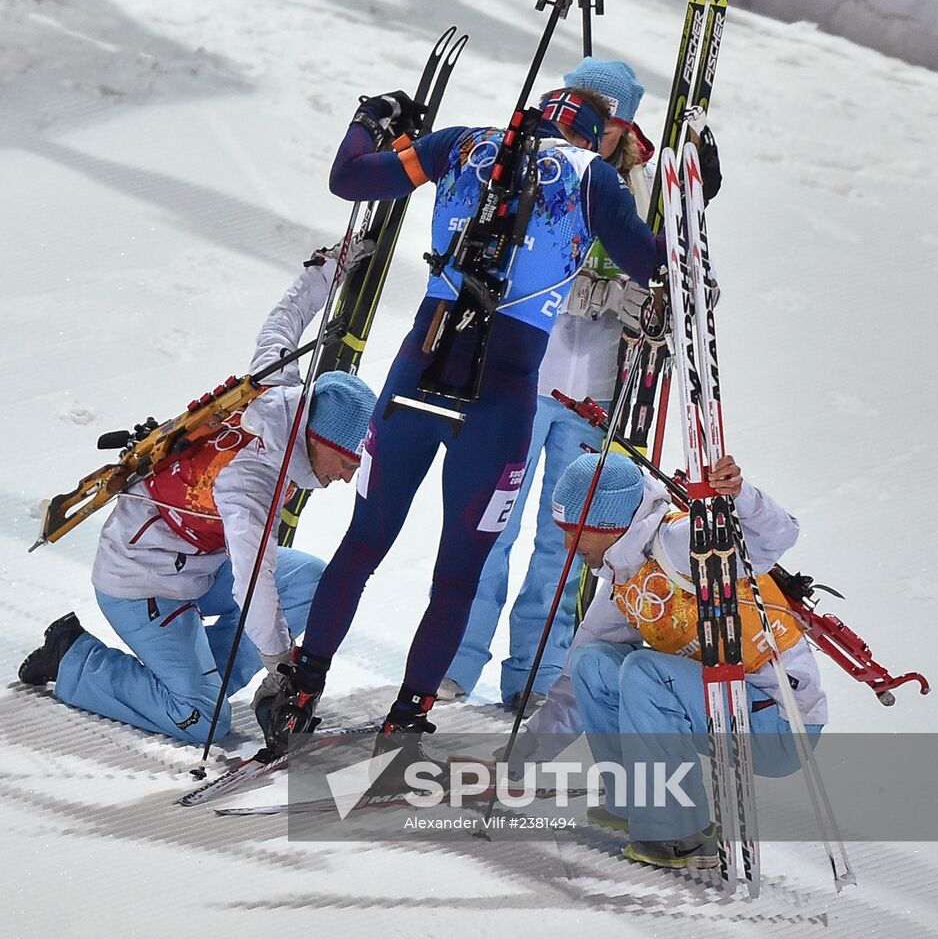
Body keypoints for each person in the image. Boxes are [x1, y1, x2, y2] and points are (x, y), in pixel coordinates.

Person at [261, 81, 667, 754]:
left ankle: (301, 690)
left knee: (362, 543)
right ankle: (408, 715)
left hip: (414, 379)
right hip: (501, 402)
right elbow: (652, 263)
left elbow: (350, 180)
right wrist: (685, 216)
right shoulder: (593, 176)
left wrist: (371, 121)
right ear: (595, 135)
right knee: (460, 569)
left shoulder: (462, 145)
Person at [441, 58, 722, 711]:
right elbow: (495, 266)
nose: (587, 129)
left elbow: (684, 279)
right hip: (516, 380)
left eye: (605, 119)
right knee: (488, 527)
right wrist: (594, 290)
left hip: (597, 397)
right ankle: (452, 665)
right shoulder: (538, 170)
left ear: (625, 126)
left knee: (564, 546)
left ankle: (533, 680)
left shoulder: (650, 191)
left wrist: (665, 303)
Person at [18, 249, 377, 745]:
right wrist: (279, 664)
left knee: (310, 580)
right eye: (347, 463)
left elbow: (284, 322)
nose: (344, 476)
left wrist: (327, 272)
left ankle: (198, 676)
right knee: (203, 720)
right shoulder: (250, 482)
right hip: (142, 579)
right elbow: (255, 580)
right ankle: (73, 656)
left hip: (201, 563)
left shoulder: (281, 387)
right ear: (320, 440)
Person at [504, 451, 826, 869]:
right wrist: (517, 758)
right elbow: (570, 689)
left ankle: (680, 832)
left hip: (778, 723)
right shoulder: (628, 578)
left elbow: (777, 538)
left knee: (644, 671)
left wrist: (741, 495)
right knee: (591, 662)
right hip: (724, 705)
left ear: (611, 525)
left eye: (577, 532)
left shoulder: (680, 541)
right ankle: (637, 802)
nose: (569, 546)